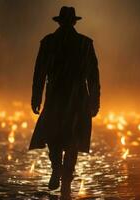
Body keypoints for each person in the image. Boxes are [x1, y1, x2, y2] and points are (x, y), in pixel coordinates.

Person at [29, 6, 100, 197]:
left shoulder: (49, 42)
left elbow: (39, 73)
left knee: (55, 136)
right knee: (72, 140)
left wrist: (36, 96)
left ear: (60, 22)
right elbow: (93, 77)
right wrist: (94, 101)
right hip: (76, 97)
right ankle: (65, 178)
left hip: (56, 96)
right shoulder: (84, 43)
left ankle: (58, 169)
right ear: (73, 22)